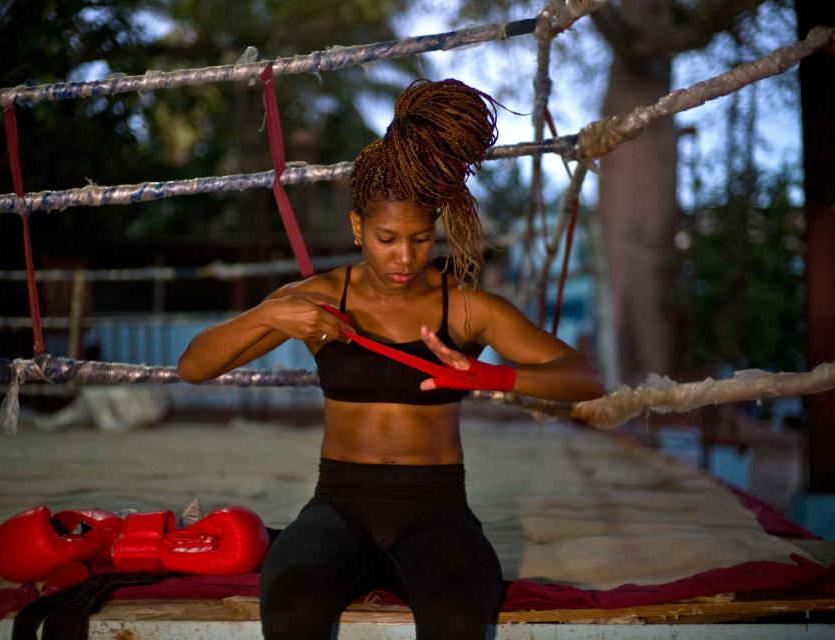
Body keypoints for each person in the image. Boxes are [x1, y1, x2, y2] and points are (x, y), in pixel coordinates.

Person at [177, 78, 605, 640]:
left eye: (421, 239)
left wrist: (491, 374)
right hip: (339, 505)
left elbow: (585, 379)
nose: (405, 257)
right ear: (357, 228)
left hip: (437, 508)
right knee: (291, 607)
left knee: (457, 617)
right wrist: (270, 316)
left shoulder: (468, 308)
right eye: (386, 239)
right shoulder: (320, 298)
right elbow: (193, 366)